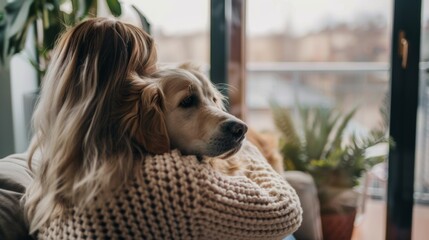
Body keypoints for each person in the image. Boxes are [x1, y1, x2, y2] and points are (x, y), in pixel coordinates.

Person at [24, 17, 302, 239]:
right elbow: (286, 212)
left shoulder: (49, 182)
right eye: (147, 72)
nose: (153, 81)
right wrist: (247, 149)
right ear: (120, 91)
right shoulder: (168, 182)